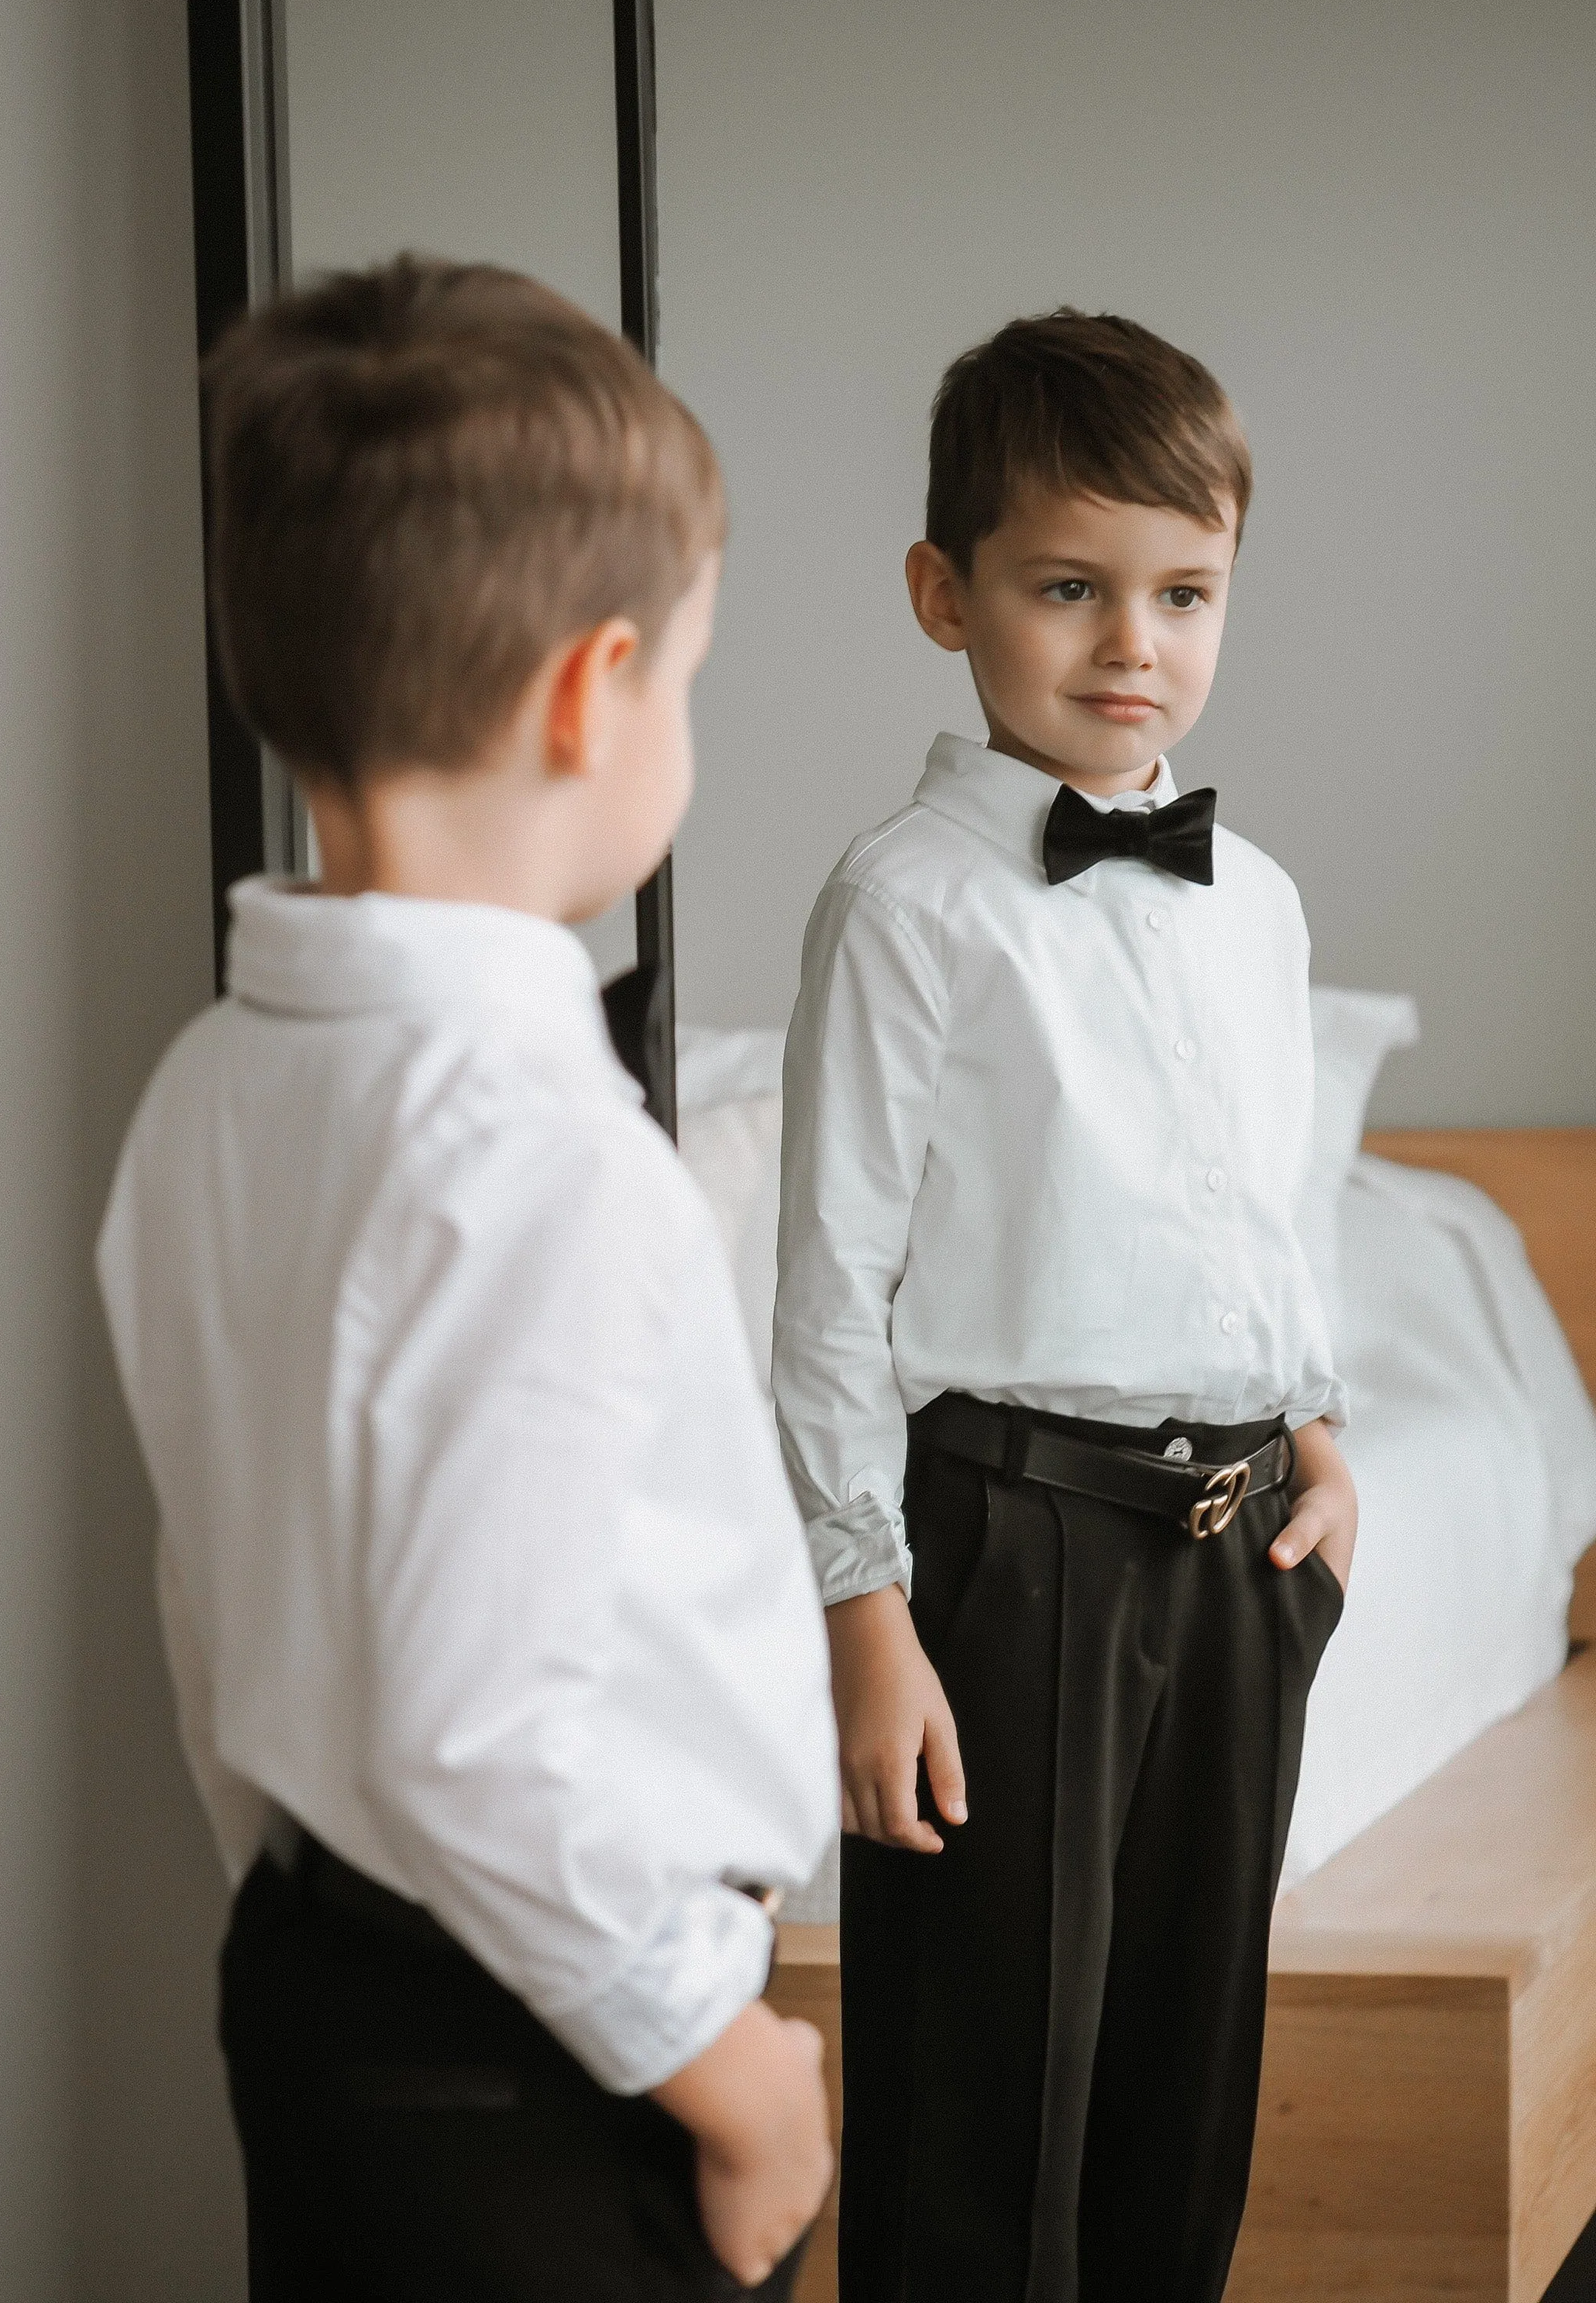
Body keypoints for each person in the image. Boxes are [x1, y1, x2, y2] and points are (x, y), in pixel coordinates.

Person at [98, 258, 838, 2301]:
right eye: (686, 677)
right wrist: (737, 2073)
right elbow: (475, 1734)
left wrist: (318, 1908)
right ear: (592, 692)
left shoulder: (213, 1085)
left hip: (333, 1975)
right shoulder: (537, 1153)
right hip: (554, 2052)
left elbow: (227, 1605)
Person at [774, 309, 1358, 2303]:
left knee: (1185, 2097)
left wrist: (1328, 1425)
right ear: (945, 596)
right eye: (1069, 586)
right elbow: (837, 1284)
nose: (1134, 644)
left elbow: (1277, 1200)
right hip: (1006, 1556)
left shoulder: (1259, 902)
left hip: (1234, 1555)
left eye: (1185, 592)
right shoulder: (906, 902)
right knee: (981, 2112)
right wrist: (867, 1607)